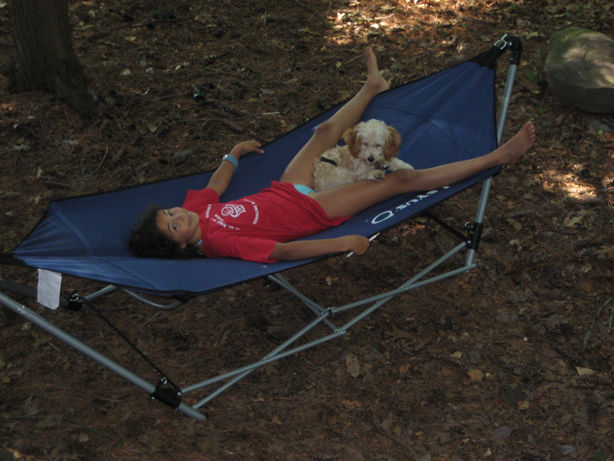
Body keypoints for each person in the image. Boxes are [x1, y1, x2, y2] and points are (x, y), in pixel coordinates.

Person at [129, 48, 536, 263]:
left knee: (323, 134)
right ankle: (497, 157)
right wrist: (340, 242)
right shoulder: (219, 244)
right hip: (313, 210)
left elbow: (214, 186)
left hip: (285, 190)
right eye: (174, 227)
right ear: (180, 246)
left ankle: (372, 86)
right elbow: (283, 252)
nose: (179, 217)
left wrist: (232, 155)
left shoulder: (194, 209)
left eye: (170, 213)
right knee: (399, 180)